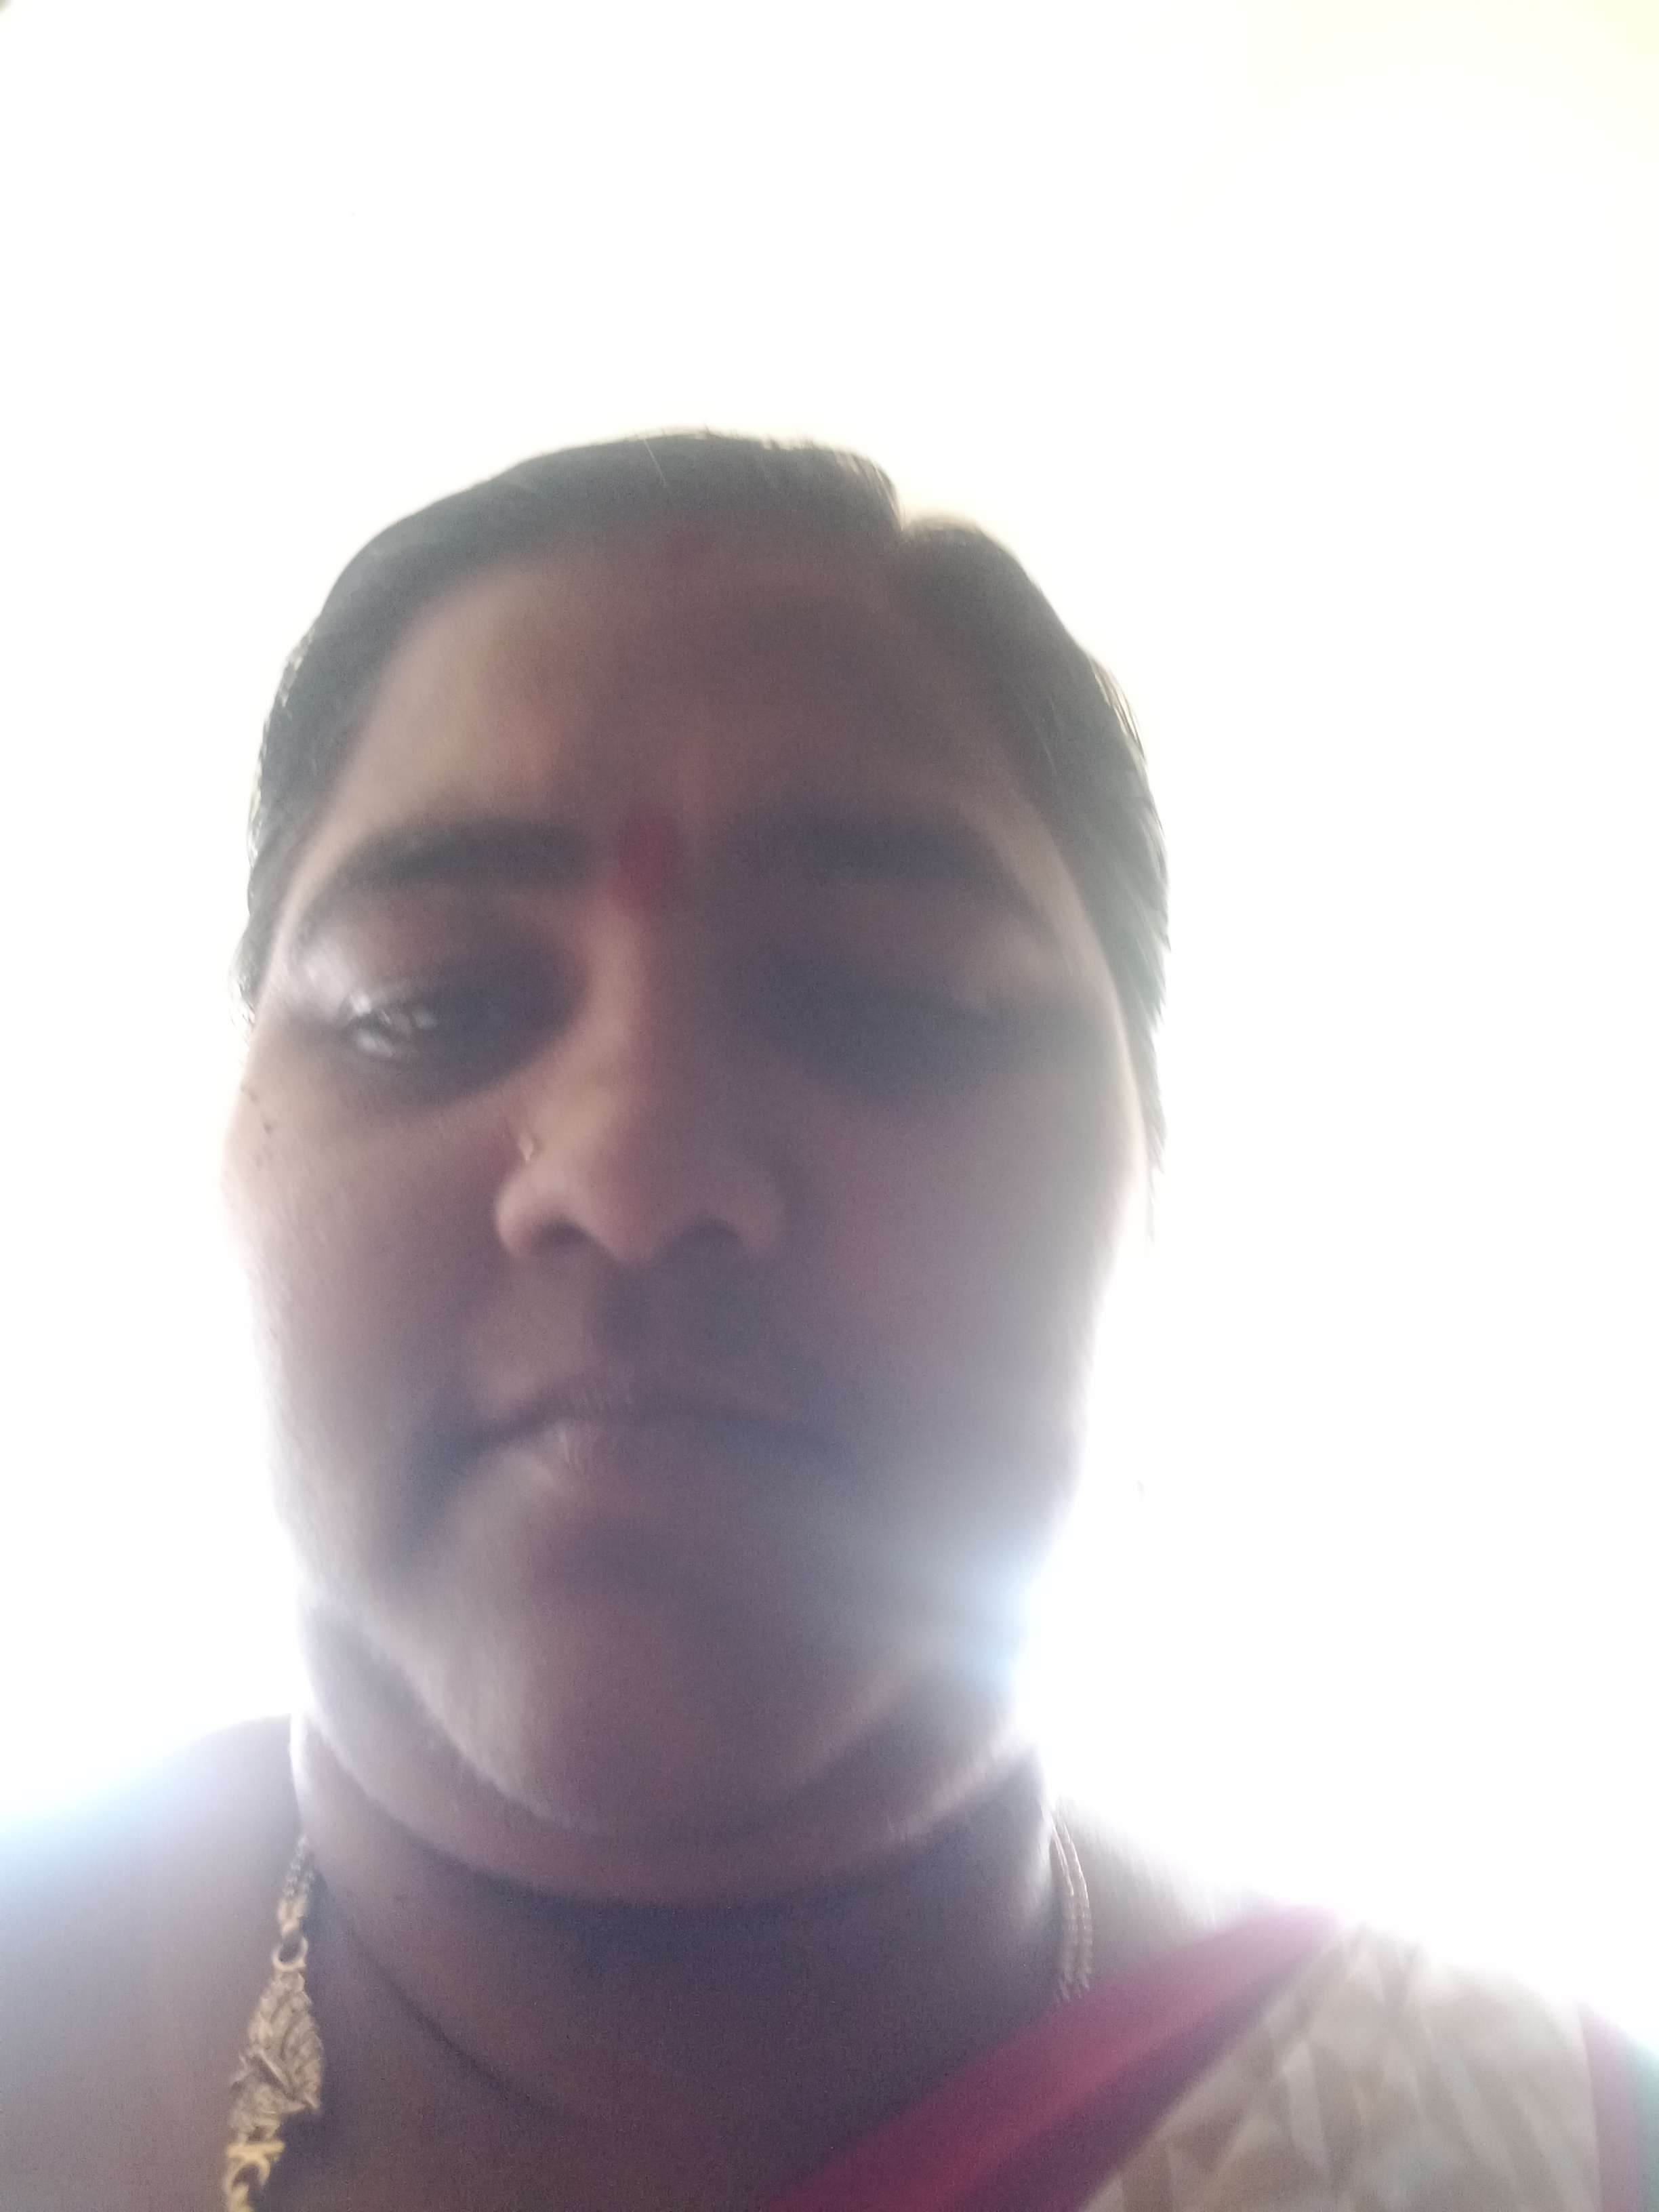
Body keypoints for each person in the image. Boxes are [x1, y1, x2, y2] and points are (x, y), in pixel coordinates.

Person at [1, 432, 1652, 2212]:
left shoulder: (1519, 2150)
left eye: (889, 1000)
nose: (631, 1171)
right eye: (430, 1004)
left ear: (1150, 1196)